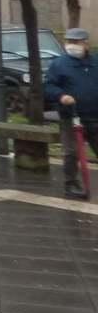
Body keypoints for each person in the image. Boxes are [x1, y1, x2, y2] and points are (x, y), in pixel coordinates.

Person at [44, 27, 98, 199]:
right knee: (71, 152)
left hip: (95, 115)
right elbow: (48, 86)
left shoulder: (95, 63)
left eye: (76, 42)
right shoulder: (59, 64)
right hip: (71, 116)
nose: (72, 45)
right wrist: (61, 96)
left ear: (86, 44)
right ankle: (71, 185)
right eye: (69, 42)